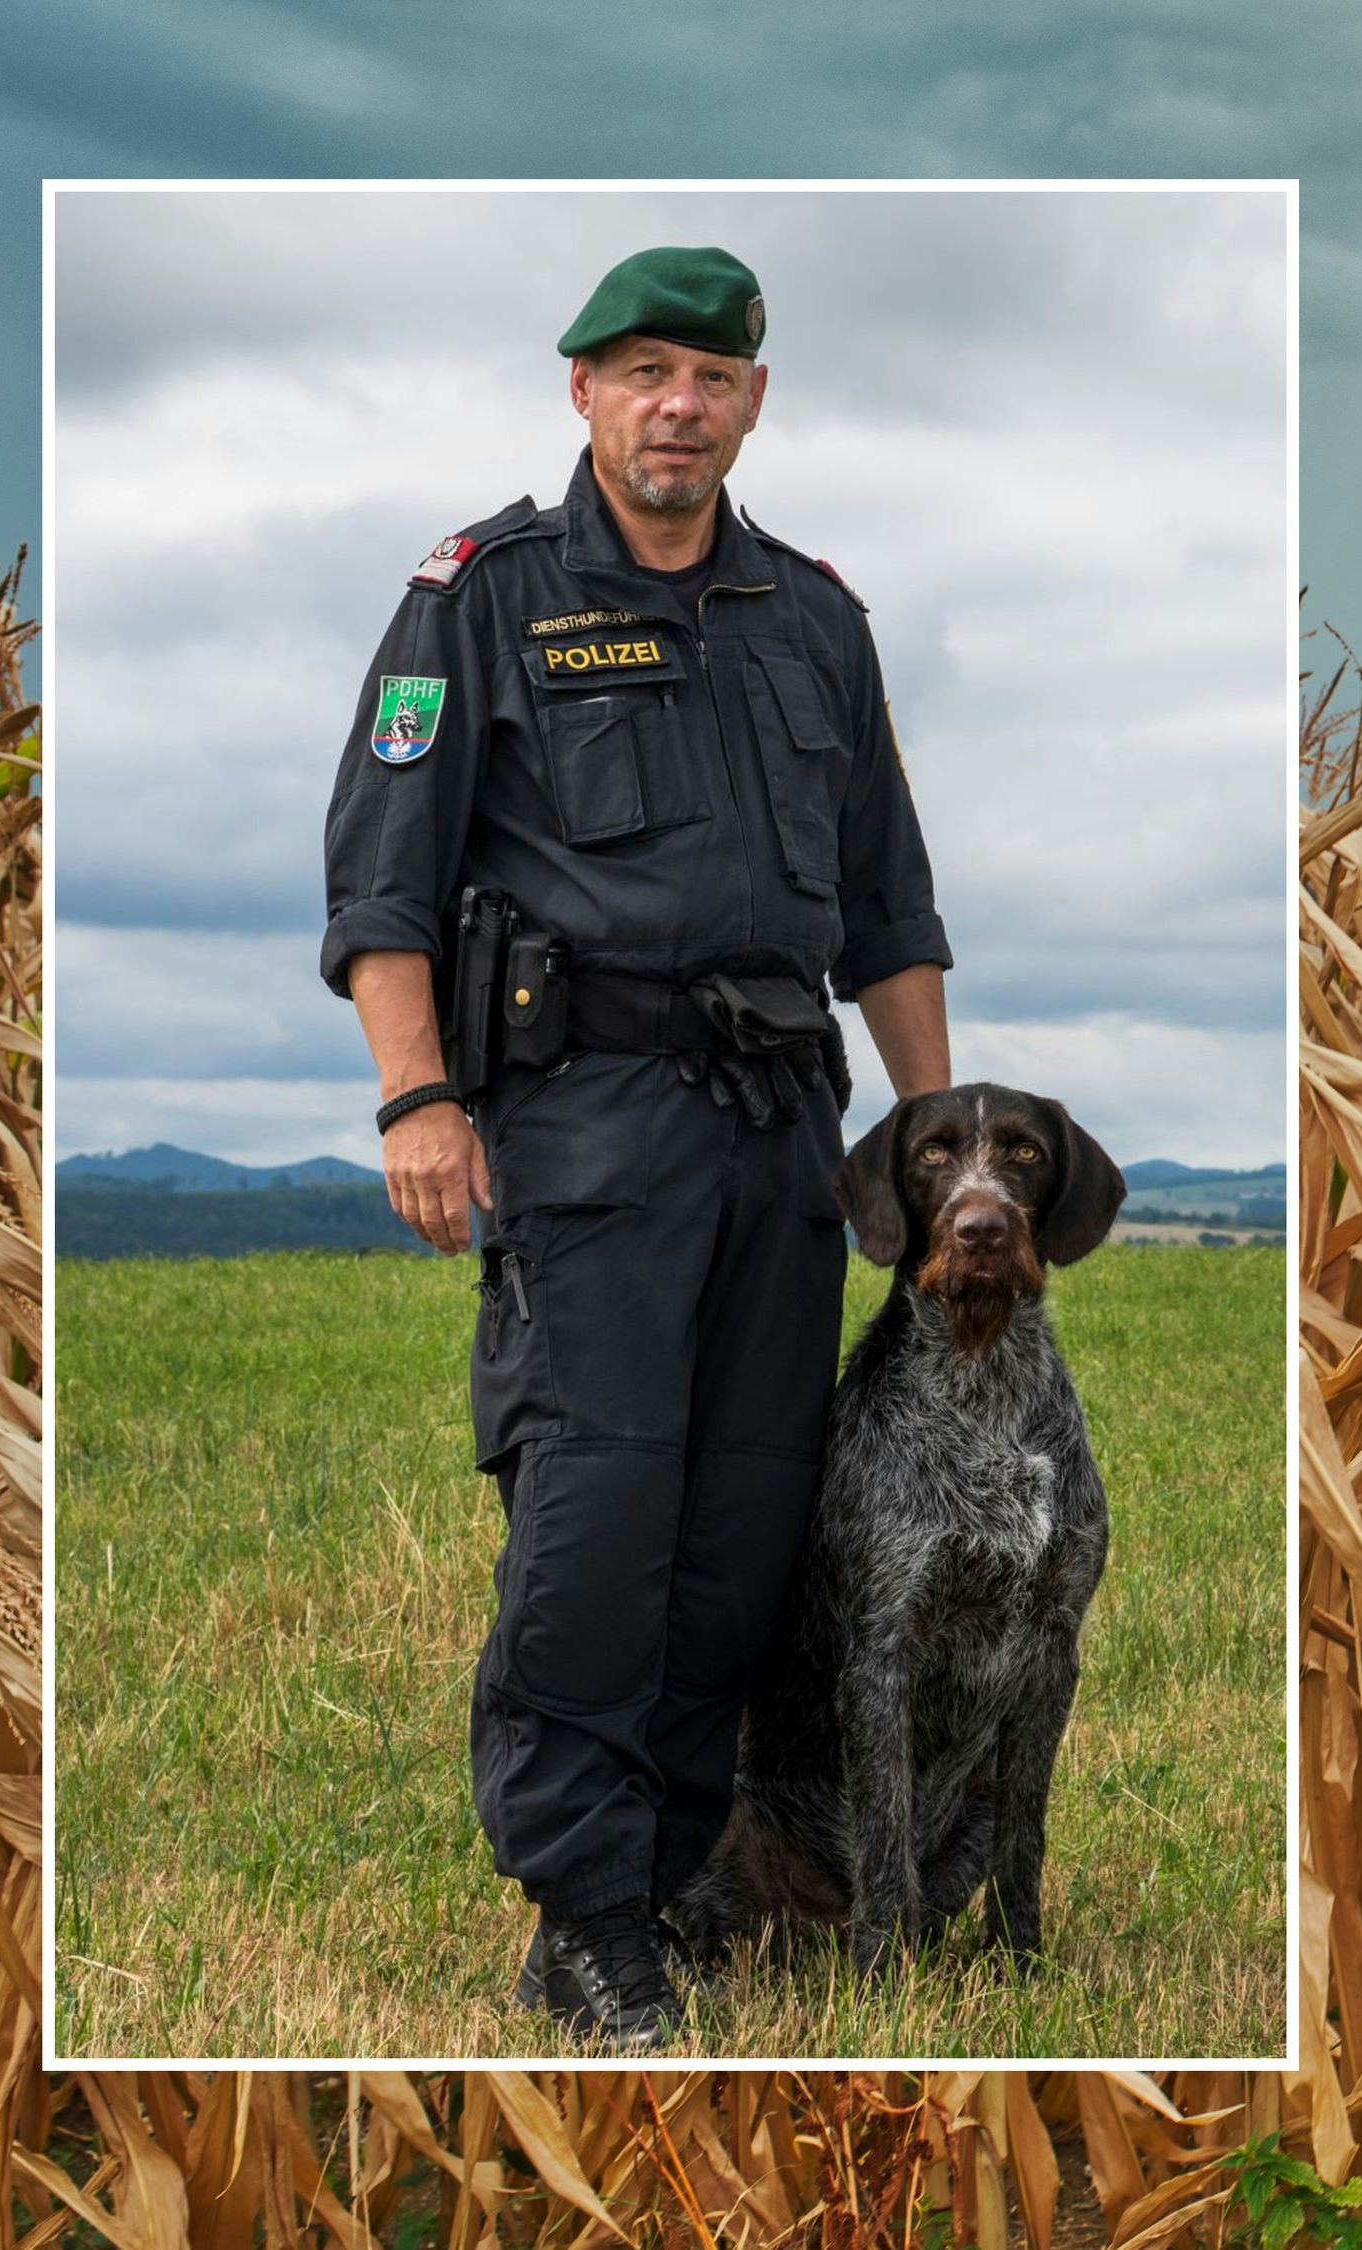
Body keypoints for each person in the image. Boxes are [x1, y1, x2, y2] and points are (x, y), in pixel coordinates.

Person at [318, 246, 952, 2050]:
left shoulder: (815, 616)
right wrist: (416, 1099)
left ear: (755, 401)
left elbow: (890, 905)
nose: (681, 403)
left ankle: (680, 1869)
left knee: (743, 1521)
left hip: (781, 1134)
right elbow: (382, 878)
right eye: (645, 370)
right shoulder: (480, 599)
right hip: (581, 1128)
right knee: (597, 1519)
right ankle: (585, 1913)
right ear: (583, 390)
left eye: (715, 376)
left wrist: (922, 1131)